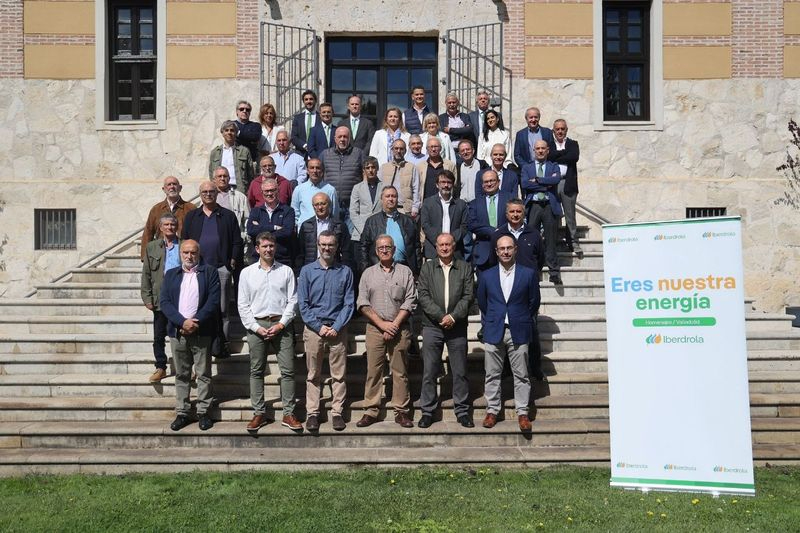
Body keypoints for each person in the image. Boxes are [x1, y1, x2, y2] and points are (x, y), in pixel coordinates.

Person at [237, 231, 302, 433]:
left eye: (271, 246)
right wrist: (256, 327)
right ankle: (259, 413)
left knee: (288, 371)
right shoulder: (247, 273)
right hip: (256, 326)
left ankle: (289, 413)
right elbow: (242, 305)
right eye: (264, 246)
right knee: (257, 371)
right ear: (257, 249)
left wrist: (281, 324)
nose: (268, 249)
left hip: (281, 325)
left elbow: (293, 300)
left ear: (275, 247)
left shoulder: (286, 271)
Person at [477, 235, 540, 432]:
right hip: (494, 328)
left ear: (515, 250)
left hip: (518, 329)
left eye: (509, 248)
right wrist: (493, 319)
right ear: (496, 251)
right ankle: (492, 410)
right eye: (501, 248)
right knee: (492, 374)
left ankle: (522, 412)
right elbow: (483, 303)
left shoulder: (528, 274)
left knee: (521, 374)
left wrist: (520, 318)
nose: (505, 252)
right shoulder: (486, 276)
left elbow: (533, 302)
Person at [356, 234, 417, 428]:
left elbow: (410, 300)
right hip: (375, 329)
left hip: (400, 328)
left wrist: (394, 324)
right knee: (373, 371)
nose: (384, 250)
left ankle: (401, 411)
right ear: (376, 251)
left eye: (388, 247)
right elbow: (362, 303)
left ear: (394, 249)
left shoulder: (405, 272)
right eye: (381, 247)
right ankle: (371, 410)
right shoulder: (368, 274)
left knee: (400, 372)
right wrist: (382, 325)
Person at [297, 230, 355, 431]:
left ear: (336, 246)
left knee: (339, 374)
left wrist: (336, 327)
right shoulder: (306, 271)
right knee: (313, 374)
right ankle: (313, 413)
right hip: (314, 329)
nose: (327, 248)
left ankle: (337, 413)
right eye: (323, 244)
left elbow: (349, 304)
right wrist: (319, 327)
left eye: (330, 244)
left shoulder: (345, 272)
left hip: (338, 329)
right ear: (318, 245)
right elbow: (303, 305)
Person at [160, 239, 220, 432]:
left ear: (198, 253)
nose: (189, 256)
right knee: (182, 374)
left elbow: (213, 300)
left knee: (203, 374)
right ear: (180, 254)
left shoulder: (209, 272)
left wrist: (195, 322)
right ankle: (183, 412)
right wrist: (181, 322)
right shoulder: (171, 275)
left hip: (201, 331)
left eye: (193, 252)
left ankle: (203, 412)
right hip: (178, 333)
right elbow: (165, 302)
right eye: (185, 252)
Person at [416, 233, 474, 428]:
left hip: (457, 327)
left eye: (448, 244)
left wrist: (453, 316)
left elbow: (468, 296)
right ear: (436, 247)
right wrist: (441, 316)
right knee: (429, 371)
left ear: (454, 246)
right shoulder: (427, 268)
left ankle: (462, 410)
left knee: (460, 371)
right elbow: (422, 295)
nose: (444, 248)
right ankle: (428, 411)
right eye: (441, 244)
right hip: (432, 326)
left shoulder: (464, 267)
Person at [181, 182, 243, 357]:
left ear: (217, 193)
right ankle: (202, 345)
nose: (208, 194)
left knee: (223, 309)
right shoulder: (192, 216)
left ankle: (222, 344)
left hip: (221, 268)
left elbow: (237, 241)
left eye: (211, 191)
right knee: (197, 307)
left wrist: (231, 260)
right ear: (200, 194)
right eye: (205, 192)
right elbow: (184, 240)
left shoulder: (227, 216)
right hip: (197, 270)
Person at [491, 199, 545, 380]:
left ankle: (535, 368)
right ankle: (506, 369)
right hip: (504, 291)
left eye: (518, 211)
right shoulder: (499, 234)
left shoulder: (534, 234)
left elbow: (541, 260)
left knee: (532, 330)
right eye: (512, 211)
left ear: (524, 213)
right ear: (506, 214)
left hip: (526, 291)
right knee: (503, 333)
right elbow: (493, 261)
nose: (515, 214)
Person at [141, 213, 182, 383]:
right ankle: (161, 367)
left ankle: (184, 367)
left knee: (180, 335)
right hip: (160, 297)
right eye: (166, 225)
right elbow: (147, 274)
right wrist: (147, 297)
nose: (170, 228)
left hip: (180, 297)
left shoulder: (184, 245)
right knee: (159, 336)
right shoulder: (152, 247)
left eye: (172, 224)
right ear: (160, 228)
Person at [521, 140, 563, 284]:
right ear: (534, 150)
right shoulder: (527, 167)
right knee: (532, 239)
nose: (540, 151)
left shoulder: (554, 166)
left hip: (549, 205)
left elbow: (556, 179)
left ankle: (554, 272)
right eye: (537, 148)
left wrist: (537, 180)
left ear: (547, 150)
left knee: (551, 239)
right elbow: (525, 184)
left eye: (542, 148)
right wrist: (546, 184)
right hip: (534, 206)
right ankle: (533, 270)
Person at [359, 186, 419, 275]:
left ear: (397, 199)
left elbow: (416, 247)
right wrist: (366, 271)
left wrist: (417, 271)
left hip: (404, 270)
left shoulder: (409, 221)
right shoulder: (372, 221)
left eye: (393, 196)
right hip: (378, 271)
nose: (391, 199)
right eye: (387, 196)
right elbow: (363, 247)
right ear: (381, 199)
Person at [140, 176, 196, 259]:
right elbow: (148, 233)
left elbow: (197, 233)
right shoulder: (156, 209)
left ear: (180, 188)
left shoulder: (191, 208)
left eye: (174, 184)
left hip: (184, 255)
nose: (172, 187)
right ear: (163, 189)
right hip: (161, 254)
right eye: (169, 184)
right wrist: (145, 258)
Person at [468, 170, 510, 275]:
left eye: (492, 181)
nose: (489, 184)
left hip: (506, 251)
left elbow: (514, 219)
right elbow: (472, 224)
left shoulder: (509, 199)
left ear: (498, 182)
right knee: (483, 289)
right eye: (486, 182)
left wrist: (501, 231)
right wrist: (493, 231)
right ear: (482, 185)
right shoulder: (475, 203)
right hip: (483, 253)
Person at [548, 118, 581, 253]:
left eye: (562, 129)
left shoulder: (573, 144)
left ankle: (573, 242)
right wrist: (563, 155)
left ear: (566, 130)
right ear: (553, 131)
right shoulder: (549, 144)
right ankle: (553, 243)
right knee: (553, 214)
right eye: (557, 129)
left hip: (568, 183)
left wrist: (557, 156)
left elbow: (573, 157)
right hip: (553, 184)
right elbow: (549, 157)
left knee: (570, 215)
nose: (560, 131)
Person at [420, 170, 468, 260]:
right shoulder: (428, 203)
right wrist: (440, 242)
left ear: (453, 185)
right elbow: (425, 225)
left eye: (449, 182)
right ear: (437, 185)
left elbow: (464, 226)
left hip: (455, 251)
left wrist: (450, 241)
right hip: (433, 251)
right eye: (443, 182)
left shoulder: (461, 204)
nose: (446, 185)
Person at [246, 177, 295, 264]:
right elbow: (251, 230)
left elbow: (287, 232)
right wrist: (274, 227)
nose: (269, 193)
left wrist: (260, 229)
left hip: (282, 259)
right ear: (262, 193)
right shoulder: (256, 211)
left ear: (278, 191)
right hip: (258, 260)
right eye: (266, 191)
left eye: (272, 190)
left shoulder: (288, 211)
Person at [297, 192, 351, 267]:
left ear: (329, 204)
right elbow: (300, 253)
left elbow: (346, 252)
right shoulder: (306, 225)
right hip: (311, 269)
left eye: (323, 204)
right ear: (313, 207)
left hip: (334, 269)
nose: (320, 207)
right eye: (316, 204)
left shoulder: (340, 225)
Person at [350, 158, 386, 270]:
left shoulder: (384, 187)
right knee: (361, 268)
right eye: (367, 168)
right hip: (360, 234)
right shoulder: (357, 188)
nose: (370, 170)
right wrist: (365, 230)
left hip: (379, 233)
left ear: (377, 169)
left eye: (373, 167)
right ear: (364, 170)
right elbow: (353, 212)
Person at [320, 126, 364, 211]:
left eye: (345, 136)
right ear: (335, 138)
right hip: (330, 204)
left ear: (349, 138)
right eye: (340, 136)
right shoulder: (325, 154)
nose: (342, 139)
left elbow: (365, 176)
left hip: (352, 205)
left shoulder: (359, 154)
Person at [290, 158, 339, 228]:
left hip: (325, 232)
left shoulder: (330, 189)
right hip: (305, 231)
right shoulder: (299, 189)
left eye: (318, 168)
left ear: (322, 171)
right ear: (307, 170)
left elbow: (335, 213)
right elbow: (295, 213)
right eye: (312, 168)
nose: (315, 171)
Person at [209, 120, 254, 193]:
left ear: (236, 133)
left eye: (232, 130)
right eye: (226, 130)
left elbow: (250, 174)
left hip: (239, 189)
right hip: (220, 190)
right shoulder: (215, 153)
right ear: (222, 133)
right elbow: (211, 174)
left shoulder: (244, 151)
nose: (229, 132)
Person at [378, 140, 420, 218]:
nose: (398, 151)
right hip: (386, 209)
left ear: (405, 151)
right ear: (392, 150)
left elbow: (416, 189)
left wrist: (415, 207)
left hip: (405, 210)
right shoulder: (384, 167)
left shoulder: (411, 167)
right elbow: (379, 189)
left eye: (401, 149)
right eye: (396, 148)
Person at [212, 166, 249, 243]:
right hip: (214, 238)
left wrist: (245, 236)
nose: (222, 178)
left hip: (234, 238)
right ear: (214, 180)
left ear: (229, 179)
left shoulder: (240, 197)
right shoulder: (208, 197)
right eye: (219, 176)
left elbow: (247, 219)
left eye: (225, 176)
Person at [417, 136, 456, 200]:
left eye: (436, 146)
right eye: (431, 147)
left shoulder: (450, 165)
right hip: (426, 204)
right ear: (427, 149)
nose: (433, 149)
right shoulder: (420, 166)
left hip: (445, 203)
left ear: (440, 148)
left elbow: (455, 185)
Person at [233, 100, 262, 167]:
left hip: (250, 161)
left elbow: (255, 137)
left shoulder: (256, 125)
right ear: (237, 112)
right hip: (234, 160)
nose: (244, 111)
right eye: (241, 109)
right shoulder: (231, 124)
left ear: (250, 112)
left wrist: (238, 133)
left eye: (247, 110)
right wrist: (248, 137)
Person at [290, 89, 319, 156]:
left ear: (315, 101)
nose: (308, 101)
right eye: (306, 99)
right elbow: (293, 137)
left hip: (317, 154)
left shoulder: (320, 118)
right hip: (301, 154)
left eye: (311, 99)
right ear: (303, 102)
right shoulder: (297, 118)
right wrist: (305, 146)